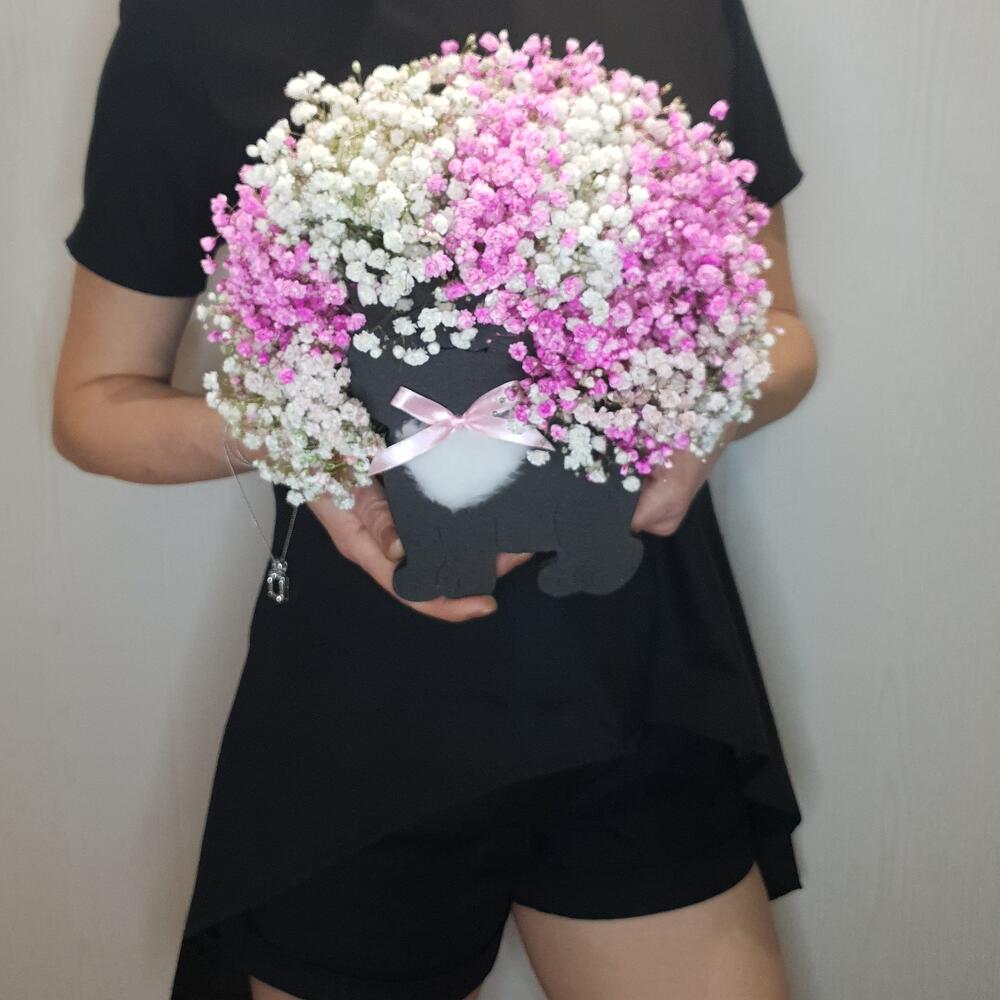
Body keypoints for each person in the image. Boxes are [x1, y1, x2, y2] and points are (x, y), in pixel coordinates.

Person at [53, 2, 818, 998]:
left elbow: (779, 332)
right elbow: (94, 404)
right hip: (363, 704)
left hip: (643, 670)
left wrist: (694, 415)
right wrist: (298, 432)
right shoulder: (199, 20)